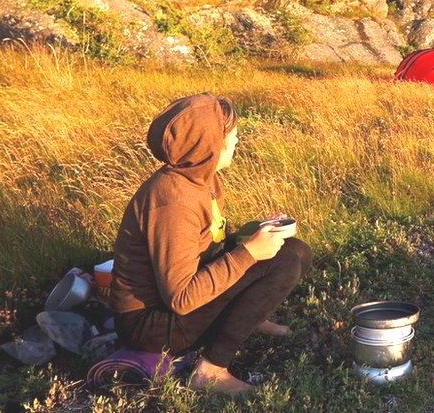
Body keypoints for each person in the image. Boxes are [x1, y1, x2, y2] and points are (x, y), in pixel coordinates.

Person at [109, 93, 312, 394]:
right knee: (283, 263)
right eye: (230, 135)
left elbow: (210, 244)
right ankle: (211, 370)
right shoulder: (172, 203)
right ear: (206, 145)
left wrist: (257, 232)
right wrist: (248, 253)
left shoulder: (202, 178)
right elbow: (181, 298)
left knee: (295, 250)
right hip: (150, 324)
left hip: (179, 301)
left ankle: (247, 316)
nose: (237, 141)